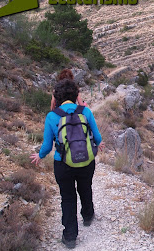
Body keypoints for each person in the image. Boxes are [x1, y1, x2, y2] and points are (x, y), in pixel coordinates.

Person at [30, 79, 104, 249]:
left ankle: (70, 237)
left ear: (56, 97)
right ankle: (87, 216)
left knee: (68, 197)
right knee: (85, 188)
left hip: (62, 164)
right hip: (86, 162)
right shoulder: (86, 112)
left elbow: (48, 146)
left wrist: (39, 156)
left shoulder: (52, 116)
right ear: (75, 95)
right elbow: (98, 138)